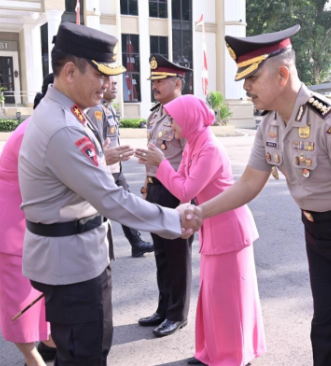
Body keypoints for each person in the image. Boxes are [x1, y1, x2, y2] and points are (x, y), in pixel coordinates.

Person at [194, 25, 331, 366]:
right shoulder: (269, 124)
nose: (246, 87)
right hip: (317, 234)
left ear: (282, 74)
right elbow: (249, 184)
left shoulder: (330, 121)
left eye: (252, 77)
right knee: (323, 325)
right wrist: (199, 212)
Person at [18, 23, 201, 366]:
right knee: (83, 355)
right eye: (101, 75)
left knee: (91, 349)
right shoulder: (62, 126)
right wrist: (174, 219)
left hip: (77, 257)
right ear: (70, 71)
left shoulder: (71, 114)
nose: (107, 85)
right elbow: (110, 198)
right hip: (70, 265)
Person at [137, 95, 266, 366]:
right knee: (213, 298)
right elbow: (184, 191)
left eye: (174, 119)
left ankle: (233, 357)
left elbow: (186, 189)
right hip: (211, 226)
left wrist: (161, 165)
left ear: (189, 119)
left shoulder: (209, 148)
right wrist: (183, 219)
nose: (171, 124)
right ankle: (213, 353)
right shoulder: (194, 145)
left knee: (228, 299)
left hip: (229, 229)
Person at [0, 73, 57, 366]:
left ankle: (48, 341)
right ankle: (32, 358)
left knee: (39, 295)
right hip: (6, 227)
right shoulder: (33, 132)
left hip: (25, 225)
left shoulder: (47, 127)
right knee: (19, 300)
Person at [137, 54, 195, 338]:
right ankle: (163, 308)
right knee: (161, 253)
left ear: (177, 82)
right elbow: (156, 156)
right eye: (153, 81)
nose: (155, 85)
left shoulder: (184, 113)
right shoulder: (157, 113)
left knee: (177, 254)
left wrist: (189, 199)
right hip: (157, 188)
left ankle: (177, 314)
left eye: (160, 80)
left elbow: (192, 157)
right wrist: (146, 184)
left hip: (177, 192)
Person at [86, 76, 155, 258]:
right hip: (105, 169)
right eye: (113, 84)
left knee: (126, 205)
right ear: (102, 84)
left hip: (116, 168)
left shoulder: (107, 108)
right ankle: (101, 250)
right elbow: (97, 144)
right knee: (104, 210)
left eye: (117, 84)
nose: (116, 88)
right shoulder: (96, 110)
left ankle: (136, 242)